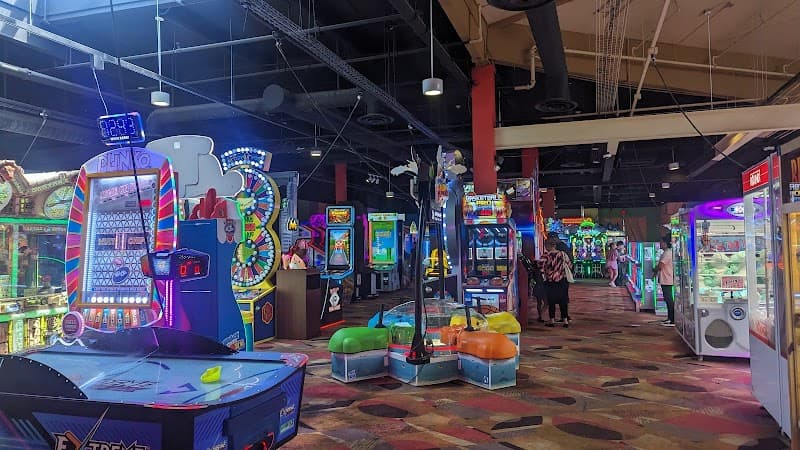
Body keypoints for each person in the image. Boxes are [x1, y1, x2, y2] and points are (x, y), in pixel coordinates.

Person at [542, 240, 571, 328]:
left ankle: (552, 320)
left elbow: (540, 266)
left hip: (551, 280)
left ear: (548, 246)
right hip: (562, 280)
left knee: (551, 301)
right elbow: (569, 265)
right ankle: (565, 320)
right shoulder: (562, 254)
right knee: (563, 301)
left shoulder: (546, 255)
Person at [655, 235, 675, 326]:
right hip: (665, 278)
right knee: (667, 299)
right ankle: (669, 318)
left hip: (667, 279)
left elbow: (661, 265)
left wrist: (654, 270)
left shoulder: (667, 253)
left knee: (669, 299)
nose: (660, 244)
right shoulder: (666, 252)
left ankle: (672, 319)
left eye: (661, 242)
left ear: (665, 243)